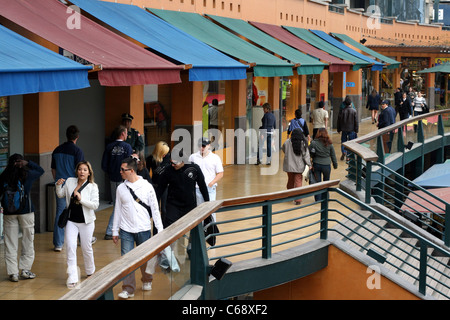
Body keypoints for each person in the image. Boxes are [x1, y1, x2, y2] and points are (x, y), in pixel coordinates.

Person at [112, 157, 164, 299]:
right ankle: (128, 289)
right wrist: (114, 230)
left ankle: (147, 279)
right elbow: (117, 209)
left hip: (143, 228)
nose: (121, 172)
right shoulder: (120, 188)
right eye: (121, 169)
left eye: (123, 170)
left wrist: (160, 230)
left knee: (145, 258)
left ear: (132, 170)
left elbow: (155, 209)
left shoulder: (147, 186)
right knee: (126, 259)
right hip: (126, 229)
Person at [0, 154, 44, 282]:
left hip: (9, 213)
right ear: (21, 162)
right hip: (26, 212)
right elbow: (41, 170)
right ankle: (25, 270)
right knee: (28, 241)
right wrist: (28, 163)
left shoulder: (4, 177)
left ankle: (13, 273)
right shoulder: (27, 175)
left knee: (10, 243)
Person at [55, 161, 99, 289]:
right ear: (77, 171)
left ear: (89, 172)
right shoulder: (69, 181)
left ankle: (90, 271)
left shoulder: (93, 186)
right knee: (70, 246)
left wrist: (81, 199)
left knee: (86, 248)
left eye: (85, 170)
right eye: (80, 169)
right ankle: (72, 277)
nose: (82, 172)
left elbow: (95, 205)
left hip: (87, 222)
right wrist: (58, 186)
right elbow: (60, 194)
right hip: (71, 221)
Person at [51, 125, 85, 252]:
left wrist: (57, 182)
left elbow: (53, 169)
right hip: (73, 185)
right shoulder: (77, 151)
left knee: (60, 212)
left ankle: (58, 244)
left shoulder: (56, 150)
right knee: (78, 211)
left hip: (60, 184)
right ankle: (83, 239)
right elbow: (80, 170)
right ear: (77, 137)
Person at [156, 153, 210, 228]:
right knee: (169, 228)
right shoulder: (168, 171)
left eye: (174, 163)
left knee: (194, 229)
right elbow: (160, 189)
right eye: (171, 162)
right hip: (173, 206)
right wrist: (155, 205)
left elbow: (202, 186)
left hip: (189, 205)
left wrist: (207, 202)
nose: (172, 165)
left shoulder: (194, 168)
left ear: (183, 161)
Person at [102, 125, 133, 240]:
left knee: (118, 204)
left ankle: (119, 228)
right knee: (120, 205)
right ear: (123, 134)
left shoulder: (109, 147)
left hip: (112, 179)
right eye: (126, 133)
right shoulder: (127, 147)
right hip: (124, 180)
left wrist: (111, 173)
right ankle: (111, 230)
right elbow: (130, 164)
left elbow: (104, 165)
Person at [188, 138, 224, 220]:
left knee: (211, 210)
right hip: (197, 189)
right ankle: (201, 231)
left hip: (210, 188)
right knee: (199, 211)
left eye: (204, 146)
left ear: (209, 146)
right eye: (200, 146)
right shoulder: (193, 157)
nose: (202, 148)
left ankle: (212, 230)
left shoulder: (215, 157)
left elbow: (220, 173)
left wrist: (212, 183)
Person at [281, 128, 311, 205]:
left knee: (290, 180)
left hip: (289, 166)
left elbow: (283, 149)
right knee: (298, 181)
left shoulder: (287, 142)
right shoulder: (303, 143)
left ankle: (290, 196)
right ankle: (298, 199)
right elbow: (306, 155)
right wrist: (309, 164)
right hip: (299, 166)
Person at [308, 129, 337, 201]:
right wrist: (335, 164)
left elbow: (309, 153)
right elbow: (333, 155)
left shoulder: (314, 143)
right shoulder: (330, 143)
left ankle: (318, 199)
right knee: (326, 182)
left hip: (316, 164)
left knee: (317, 183)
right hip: (327, 165)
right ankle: (325, 198)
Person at [146, 141, 171, 221]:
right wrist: (150, 184)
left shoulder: (168, 157)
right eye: (164, 152)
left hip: (165, 186)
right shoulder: (150, 159)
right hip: (155, 186)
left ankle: (164, 229)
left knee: (164, 209)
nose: (165, 154)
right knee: (155, 209)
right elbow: (146, 174)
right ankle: (156, 231)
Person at [337, 96, 358, 161]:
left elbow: (339, 120)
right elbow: (356, 121)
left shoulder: (342, 111)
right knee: (350, 142)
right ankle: (348, 156)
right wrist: (356, 129)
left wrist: (339, 129)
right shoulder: (354, 111)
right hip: (351, 129)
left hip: (344, 129)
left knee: (343, 141)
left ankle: (344, 151)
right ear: (350, 103)